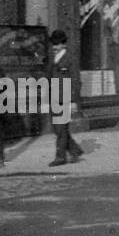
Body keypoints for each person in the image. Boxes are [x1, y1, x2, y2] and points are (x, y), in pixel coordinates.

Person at [47, 30, 84, 167]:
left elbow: (75, 80)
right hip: (54, 97)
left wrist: (74, 101)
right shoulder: (53, 58)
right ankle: (75, 150)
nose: (54, 46)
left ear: (63, 44)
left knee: (61, 128)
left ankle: (60, 157)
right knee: (58, 129)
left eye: (57, 44)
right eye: (53, 44)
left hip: (65, 97)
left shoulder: (70, 59)